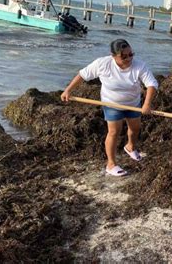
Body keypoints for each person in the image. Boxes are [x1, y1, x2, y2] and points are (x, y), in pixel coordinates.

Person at [61, 39, 158, 176]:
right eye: (124, 56)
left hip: (133, 103)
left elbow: (151, 84)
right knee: (114, 131)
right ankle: (111, 164)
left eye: (131, 54)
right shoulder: (102, 64)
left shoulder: (139, 66)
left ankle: (130, 147)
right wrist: (68, 90)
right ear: (113, 56)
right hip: (111, 103)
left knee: (135, 128)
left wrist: (146, 104)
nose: (129, 58)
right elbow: (82, 75)